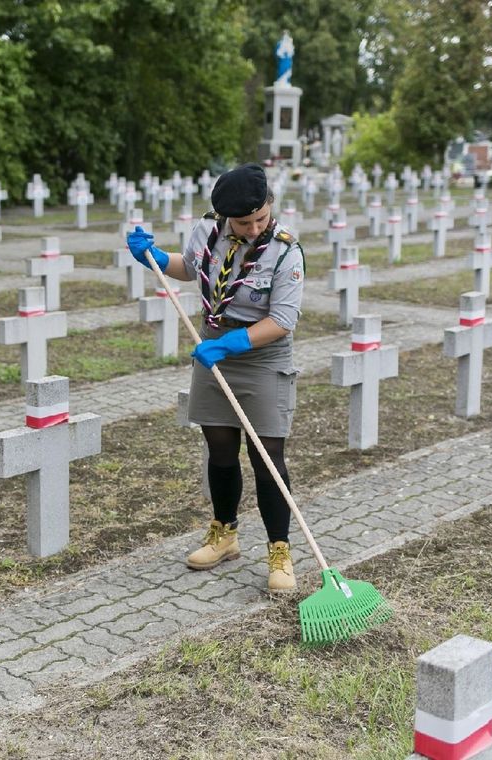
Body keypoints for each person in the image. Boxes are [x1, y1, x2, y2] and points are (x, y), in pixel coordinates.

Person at [126, 163, 305, 592]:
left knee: (267, 458)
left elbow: (282, 319)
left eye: (261, 217)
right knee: (220, 449)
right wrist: (152, 256)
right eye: (244, 222)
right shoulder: (207, 232)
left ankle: (279, 551)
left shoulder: (285, 251)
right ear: (225, 217)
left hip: (260, 357)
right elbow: (190, 268)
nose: (254, 227)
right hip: (213, 349)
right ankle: (224, 534)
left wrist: (229, 345)